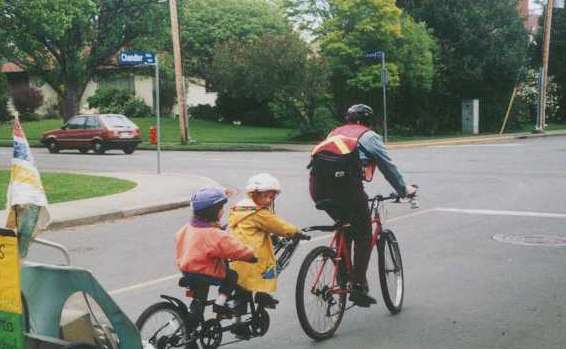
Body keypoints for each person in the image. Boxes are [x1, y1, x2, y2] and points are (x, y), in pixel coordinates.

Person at [308, 104, 416, 307]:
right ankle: (358, 285)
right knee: (364, 234)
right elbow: (388, 167)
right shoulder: (369, 136)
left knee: (346, 226)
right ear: (368, 122)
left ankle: (343, 274)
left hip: (317, 188)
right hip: (346, 189)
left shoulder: (334, 133)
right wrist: (404, 190)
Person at [175, 187, 257, 312]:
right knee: (232, 276)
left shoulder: (186, 228)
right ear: (213, 212)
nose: (223, 211)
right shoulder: (214, 234)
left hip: (186, 269)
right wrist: (250, 255)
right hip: (204, 271)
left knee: (199, 299)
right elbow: (235, 249)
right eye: (221, 208)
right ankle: (220, 303)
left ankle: (193, 316)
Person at [228, 173, 302, 305]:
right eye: (265, 196)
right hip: (252, 256)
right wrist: (296, 232)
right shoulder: (259, 213)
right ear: (254, 194)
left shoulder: (239, 209)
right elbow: (279, 226)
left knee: (242, 284)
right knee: (267, 265)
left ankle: (240, 307)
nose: (269, 200)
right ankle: (262, 295)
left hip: (236, 254)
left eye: (272, 197)